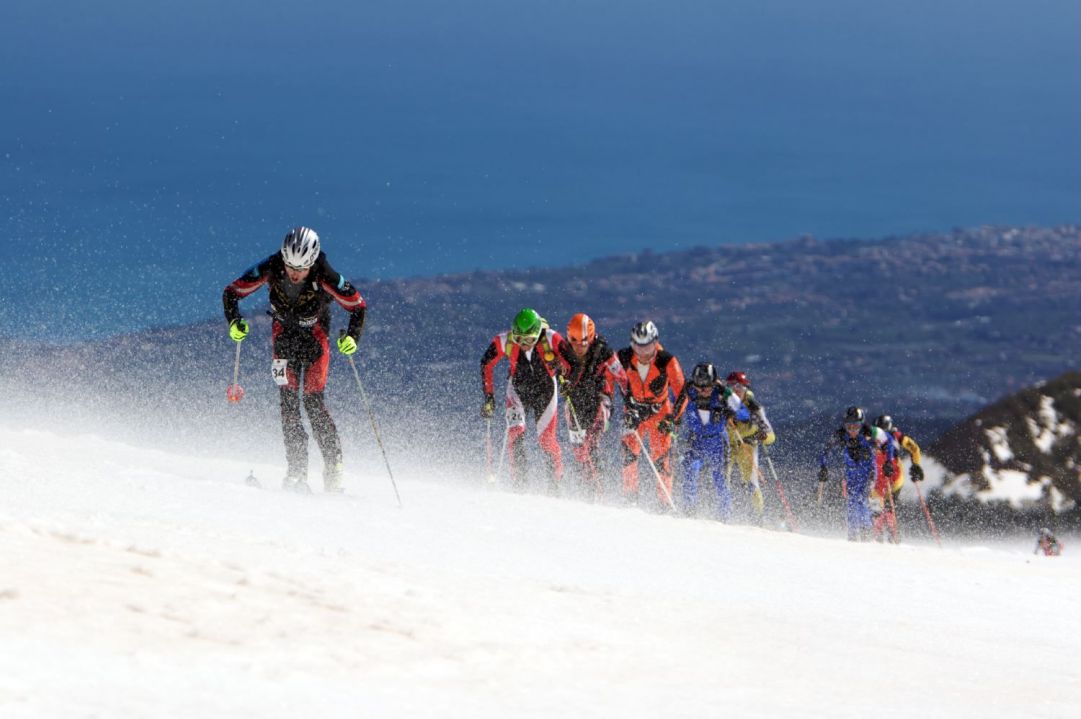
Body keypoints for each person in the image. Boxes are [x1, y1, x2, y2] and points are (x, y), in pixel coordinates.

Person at [223, 226, 366, 493]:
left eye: (301, 269)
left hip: (315, 343)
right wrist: (234, 322)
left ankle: (333, 472)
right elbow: (232, 292)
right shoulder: (271, 266)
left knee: (313, 404)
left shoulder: (325, 273)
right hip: (284, 342)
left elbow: (357, 306)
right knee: (289, 406)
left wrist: (353, 339)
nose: (294, 273)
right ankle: (296, 472)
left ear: (312, 263)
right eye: (290, 266)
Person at [481, 308, 570, 493]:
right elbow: (486, 363)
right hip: (518, 391)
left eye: (528, 340)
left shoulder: (551, 339)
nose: (523, 344)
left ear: (537, 334)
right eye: (518, 339)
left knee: (546, 439)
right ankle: (519, 483)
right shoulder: (505, 341)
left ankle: (555, 484)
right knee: (515, 433)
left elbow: (572, 362)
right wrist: (489, 397)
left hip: (546, 391)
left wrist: (564, 374)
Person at [555, 313, 628, 499]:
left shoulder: (603, 351)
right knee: (578, 447)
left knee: (591, 442)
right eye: (574, 341)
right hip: (574, 400)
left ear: (591, 337)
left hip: (600, 398)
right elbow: (554, 370)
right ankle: (586, 486)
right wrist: (560, 381)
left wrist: (631, 402)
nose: (579, 347)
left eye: (583, 342)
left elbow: (621, 376)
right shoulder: (563, 350)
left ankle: (599, 490)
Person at [616, 320, 686, 509]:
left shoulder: (667, 360)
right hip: (634, 411)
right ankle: (630, 497)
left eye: (647, 347)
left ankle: (664, 503)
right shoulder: (623, 357)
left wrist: (674, 420)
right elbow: (609, 377)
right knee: (628, 453)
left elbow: (682, 392)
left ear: (655, 342)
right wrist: (615, 401)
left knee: (662, 460)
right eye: (637, 347)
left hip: (660, 413)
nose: (642, 353)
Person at [673, 363, 750, 519]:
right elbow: (674, 408)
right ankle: (689, 511)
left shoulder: (723, 393)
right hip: (696, 440)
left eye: (707, 387)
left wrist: (729, 409)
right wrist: (670, 422)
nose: (703, 391)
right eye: (699, 387)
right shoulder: (689, 391)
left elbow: (744, 414)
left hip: (718, 442)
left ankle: (724, 516)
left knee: (719, 478)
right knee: (690, 471)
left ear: (714, 383)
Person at [818, 406, 895, 541]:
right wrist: (823, 467)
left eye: (856, 426)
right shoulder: (841, 434)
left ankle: (866, 529)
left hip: (868, 471)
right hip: (851, 471)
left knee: (862, 498)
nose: (852, 430)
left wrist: (889, 461)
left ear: (862, 424)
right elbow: (826, 449)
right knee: (852, 500)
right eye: (849, 427)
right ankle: (853, 533)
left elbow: (888, 441)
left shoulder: (870, 431)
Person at [725, 370, 776, 524]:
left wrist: (762, 436)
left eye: (740, 386)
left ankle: (758, 517)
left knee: (751, 482)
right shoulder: (723, 401)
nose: (736, 389)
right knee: (721, 477)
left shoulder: (754, 407)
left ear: (745, 388)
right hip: (727, 444)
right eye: (732, 386)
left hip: (747, 446)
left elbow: (770, 435)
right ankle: (723, 512)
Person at [870, 414, 926, 543]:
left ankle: (892, 535)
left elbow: (914, 448)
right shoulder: (871, 439)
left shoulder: (897, 437)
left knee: (889, 508)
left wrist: (916, 465)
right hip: (877, 480)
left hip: (894, 478)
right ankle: (876, 535)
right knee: (876, 509)